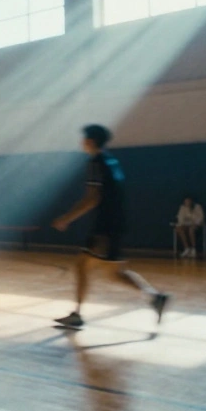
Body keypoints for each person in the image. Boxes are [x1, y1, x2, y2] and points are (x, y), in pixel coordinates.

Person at [52, 125, 169, 329]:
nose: (81, 142)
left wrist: (67, 218)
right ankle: (155, 297)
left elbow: (92, 198)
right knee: (115, 273)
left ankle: (77, 314)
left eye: (84, 138)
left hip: (104, 228)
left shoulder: (96, 163)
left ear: (91, 141)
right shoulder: (111, 161)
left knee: (82, 266)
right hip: (116, 225)